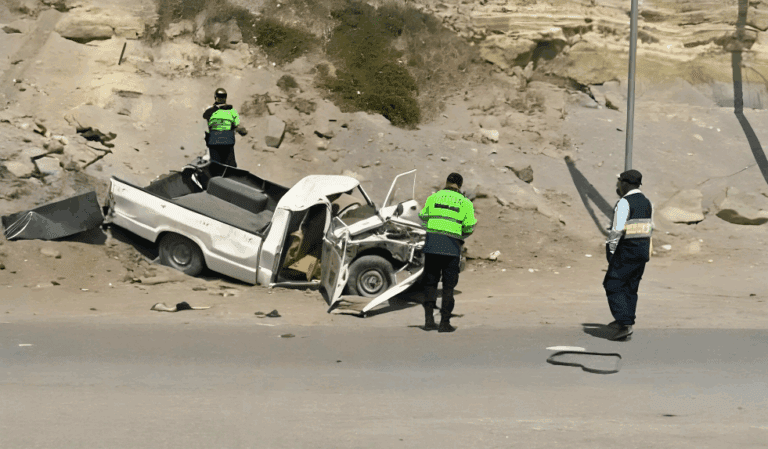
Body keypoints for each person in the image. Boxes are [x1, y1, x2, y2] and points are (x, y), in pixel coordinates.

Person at [418, 172, 477, 333]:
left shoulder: (434, 197)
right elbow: (469, 227)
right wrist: (460, 236)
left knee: (430, 284)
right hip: (451, 248)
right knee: (448, 288)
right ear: (460, 185)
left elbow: (423, 216)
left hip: (432, 246)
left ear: (446, 182)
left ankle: (429, 322)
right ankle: (444, 323)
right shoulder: (465, 203)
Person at [604, 169, 654, 341]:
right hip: (642, 251)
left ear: (624, 183)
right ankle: (625, 320)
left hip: (626, 251)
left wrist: (610, 250)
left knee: (613, 284)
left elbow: (616, 230)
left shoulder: (624, 203)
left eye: (619, 182)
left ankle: (624, 324)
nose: (617, 186)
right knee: (631, 287)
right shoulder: (646, 202)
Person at [202, 88, 247, 167]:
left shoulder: (209, 111)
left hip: (213, 141)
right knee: (230, 166)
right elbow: (239, 127)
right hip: (228, 141)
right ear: (226, 98)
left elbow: (206, 117)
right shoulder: (233, 111)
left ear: (215, 97)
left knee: (215, 166)